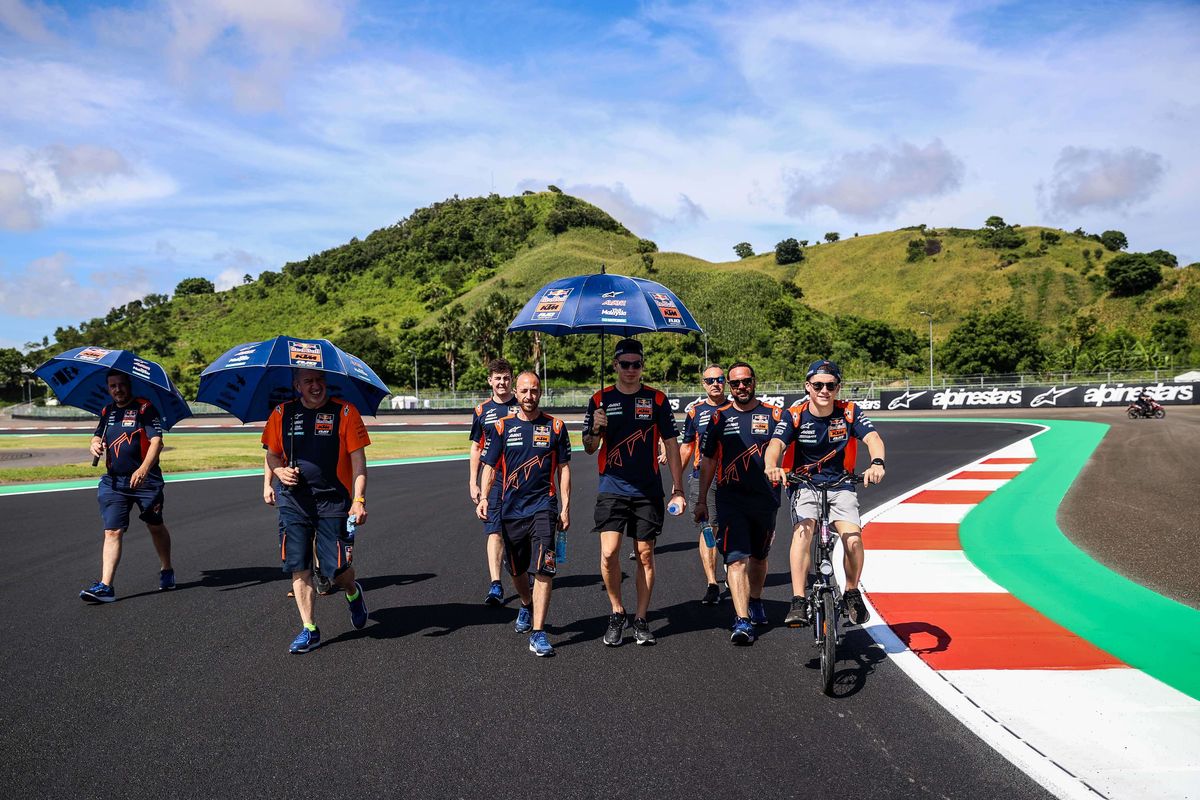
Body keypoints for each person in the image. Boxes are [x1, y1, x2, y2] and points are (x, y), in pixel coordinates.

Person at [765, 360, 885, 628]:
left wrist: (877, 463)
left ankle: (852, 591)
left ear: (838, 388)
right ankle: (797, 600)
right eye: (818, 385)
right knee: (803, 532)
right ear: (808, 386)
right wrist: (771, 466)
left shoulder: (850, 412)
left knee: (853, 539)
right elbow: (775, 444)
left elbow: (873, 439)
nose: (824, 390)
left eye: (830, 385)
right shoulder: (794, 415)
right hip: (804, 484)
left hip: (841, 484)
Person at [582, 338, 685, 646]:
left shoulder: (656, 399)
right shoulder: (599, 399)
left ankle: (640, 618)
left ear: (642, 366)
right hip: (611, 487)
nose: (630, 370)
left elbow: (670, 444)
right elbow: (589, 448)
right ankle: (617, 611)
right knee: (610, 552)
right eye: (624, 364)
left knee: (645, 554)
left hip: (647, 490)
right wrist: (597, 428)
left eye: (636, 364)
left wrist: (678, 487)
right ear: (615, 365)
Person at [262, 368, 371, 654]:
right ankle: (309, 629)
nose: (315, 386)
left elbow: (358, 462)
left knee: (336, 571)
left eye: (320, 380)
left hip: (334, 503)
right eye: (308, 381)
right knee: (299, 567)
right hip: (293, 503)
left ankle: (352, 591)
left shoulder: (345, 412)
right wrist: (278, 472)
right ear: (297, 385)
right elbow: (271, 452)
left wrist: (358, 500)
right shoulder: (281, 413)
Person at [476, 371, 571, 657]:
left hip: (544, 505)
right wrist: (483, 497)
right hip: (510, 509)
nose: (530, 396)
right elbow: (489, 466)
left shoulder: (556, 426)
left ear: (541, 392)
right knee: (516, 570)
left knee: (544, 567)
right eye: (525, 391)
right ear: (516, 393)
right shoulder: (502, 427)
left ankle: (538, 633)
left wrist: (565, 507)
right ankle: (526, 604)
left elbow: (564, 469)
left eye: (535, 390)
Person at [694, 362, 781, 644]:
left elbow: (789, 451)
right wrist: (701, 500)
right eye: (735, 384)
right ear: (730, 387)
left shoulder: (775, 414)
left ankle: (755, 600)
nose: (741, 387)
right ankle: (742, 619)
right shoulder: (718, 417)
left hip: (766, 499)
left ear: (754, 381)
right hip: (730, 498)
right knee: (736, 559)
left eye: (746, 382)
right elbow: (708, 460)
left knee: (759, 557)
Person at [80, 369, 175, 602]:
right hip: (114, 482)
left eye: (121, 384)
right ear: (108, 388)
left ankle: (166, 569)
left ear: (128, 385)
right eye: (112, 386)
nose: (117, 389)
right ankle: (106, 586)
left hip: (146, 480)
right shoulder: (107, 411)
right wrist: (93, 445)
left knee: (155, 526)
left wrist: (143, 469)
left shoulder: (144, 408)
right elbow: (97, 435)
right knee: (112, 531)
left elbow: (157, 441)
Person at [469, 358, 519, 606]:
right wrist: (473, 482)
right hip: (493, 479)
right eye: (497, 378)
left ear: (512, 379)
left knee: (518, 531)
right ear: (490, 381)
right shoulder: (481, 411)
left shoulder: (522, 405)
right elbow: (476, 448)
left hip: (520, 478)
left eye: (506, 377)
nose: (502, 382)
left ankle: (517, 566)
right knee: (494, 530)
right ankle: (496, 584)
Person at [678, 364, 729, 604]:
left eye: (719, 379)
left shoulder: (737, 407)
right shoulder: (695, 412)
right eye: (710, 381)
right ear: (703, 384)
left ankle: (733, 567)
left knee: (732, 527)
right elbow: (688, 444)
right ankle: (712, 582)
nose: (715, 384)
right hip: (703, 476)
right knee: (708, 527)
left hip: (735, 475)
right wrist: (677, 479)